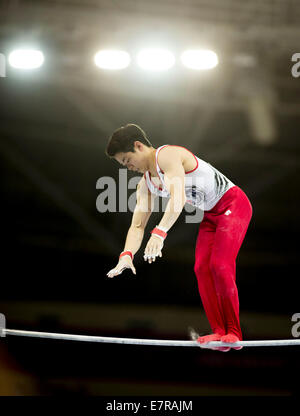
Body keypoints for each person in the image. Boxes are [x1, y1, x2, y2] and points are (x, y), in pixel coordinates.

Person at [105, 124, 253, 352]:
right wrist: (127, 255)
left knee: (220, 266)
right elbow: (137, 225)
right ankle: (219, 333)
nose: (128, 167)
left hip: (234, 204)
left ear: (138, 145)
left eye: (126, 160)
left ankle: (233, 331)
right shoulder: (146, 183)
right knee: (201, 269)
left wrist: (160, 232)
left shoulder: (168, 155)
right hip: (212, 215)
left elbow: (179, 196)